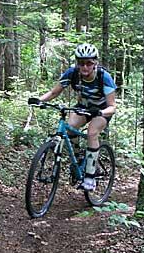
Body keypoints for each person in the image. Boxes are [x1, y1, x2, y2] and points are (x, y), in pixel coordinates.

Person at [38, 43, 117, 191]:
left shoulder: (103, 77)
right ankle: (79, 156)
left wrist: (100, 113)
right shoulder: (72, 73)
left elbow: (112, 106)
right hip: (83, 107)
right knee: (70, 128)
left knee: (92, 133)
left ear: (95, 63)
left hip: (101, 110)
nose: (85, 67)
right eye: (81, 63)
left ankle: (90, 176)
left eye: (89, 63)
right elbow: (54, 92)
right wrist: (39, 100)